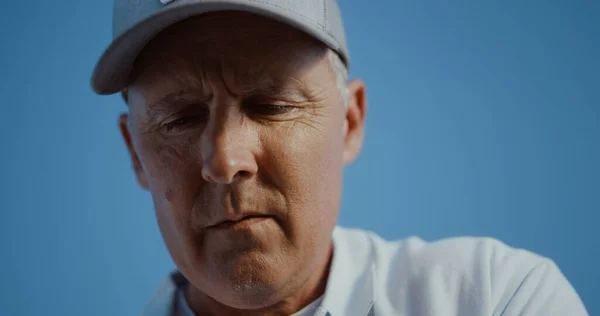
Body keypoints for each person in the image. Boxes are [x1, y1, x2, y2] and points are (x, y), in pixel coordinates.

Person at [90, 1, 589, 315]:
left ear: (350, 122)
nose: (225, 159)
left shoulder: (499, 297)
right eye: (180, 118)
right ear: (135, 151)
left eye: (272, 105)